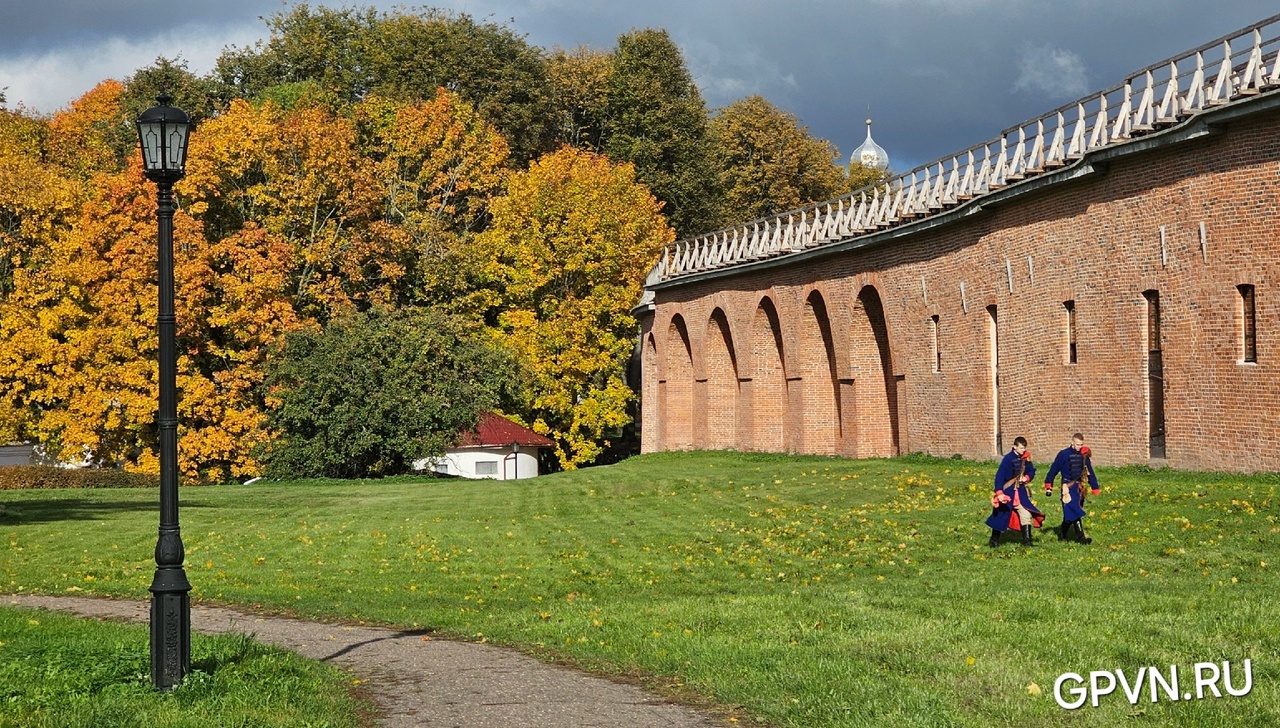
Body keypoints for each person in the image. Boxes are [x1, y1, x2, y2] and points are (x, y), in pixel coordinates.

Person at [986, 436, 1045, 547]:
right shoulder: (1008, 459)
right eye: (1021, 448)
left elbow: (1031, 471)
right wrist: (999, 493)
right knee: (1000, 517)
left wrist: (1026, 478)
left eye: (1024, 448)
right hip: (1008, 492)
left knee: (1026, 514)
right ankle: (994, 541)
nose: (1023, 450)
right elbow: (999, 476)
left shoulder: (1025, 458)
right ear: (1015, 447)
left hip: (1020, 493)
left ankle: (1027, 542)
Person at [1043, 433, 1100, 544]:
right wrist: (1048, 484)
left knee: (1071, 513)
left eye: (1081, 444)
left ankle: (1062, 534)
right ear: (1072, 442)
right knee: (1075, 510)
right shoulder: (1063, 454)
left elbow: (1090, 471)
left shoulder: (1084, 455)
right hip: (1067, 487)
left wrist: (1095, 486)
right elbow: (1053, 470)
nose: (1080, 446)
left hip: (1079, 487)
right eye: (1078, 444)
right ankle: (1081, 538)